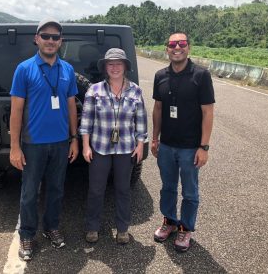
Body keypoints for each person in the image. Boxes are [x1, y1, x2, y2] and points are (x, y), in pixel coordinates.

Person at [9, 17, 79, 261]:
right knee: (29, 192)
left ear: (60, 42)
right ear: (36, 39)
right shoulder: (24, 69)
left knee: (57, 190)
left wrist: (74, 139)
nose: (50, 41)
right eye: (46, 36)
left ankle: (51, 227)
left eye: (55, 37)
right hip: (33, 144)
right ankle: (27, 234)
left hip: (60, 143)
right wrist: (15, 147)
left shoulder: (67, 70)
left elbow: (71, 106)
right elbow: (16, 110)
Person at [151, 32, 215, 252]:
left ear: (189, 47)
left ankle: (185, 228)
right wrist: (154, 138)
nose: (176, 47)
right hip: (167, 145)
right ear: (166, 48)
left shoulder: (201, 75)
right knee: (167, 187)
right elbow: (158, 108)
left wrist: (204, 147)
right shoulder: (160, 75)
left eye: (181, 43)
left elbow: (208, 112)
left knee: (190, 191)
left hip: (190, 148)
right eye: (172, 44)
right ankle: (169, 221)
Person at [79, 48, 148, 245]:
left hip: (125, 148)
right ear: (105, 67)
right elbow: (86, 122)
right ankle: (92, 227)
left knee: (123, 189)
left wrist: (140, 144)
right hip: (100, 148)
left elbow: (141, 120)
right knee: (96, 189)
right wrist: (86, 146)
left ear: (125, 66)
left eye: (119, 63)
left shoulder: (135, 91)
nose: (115, 67)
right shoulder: (95, 90)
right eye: (111, 64)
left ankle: (123, 229)